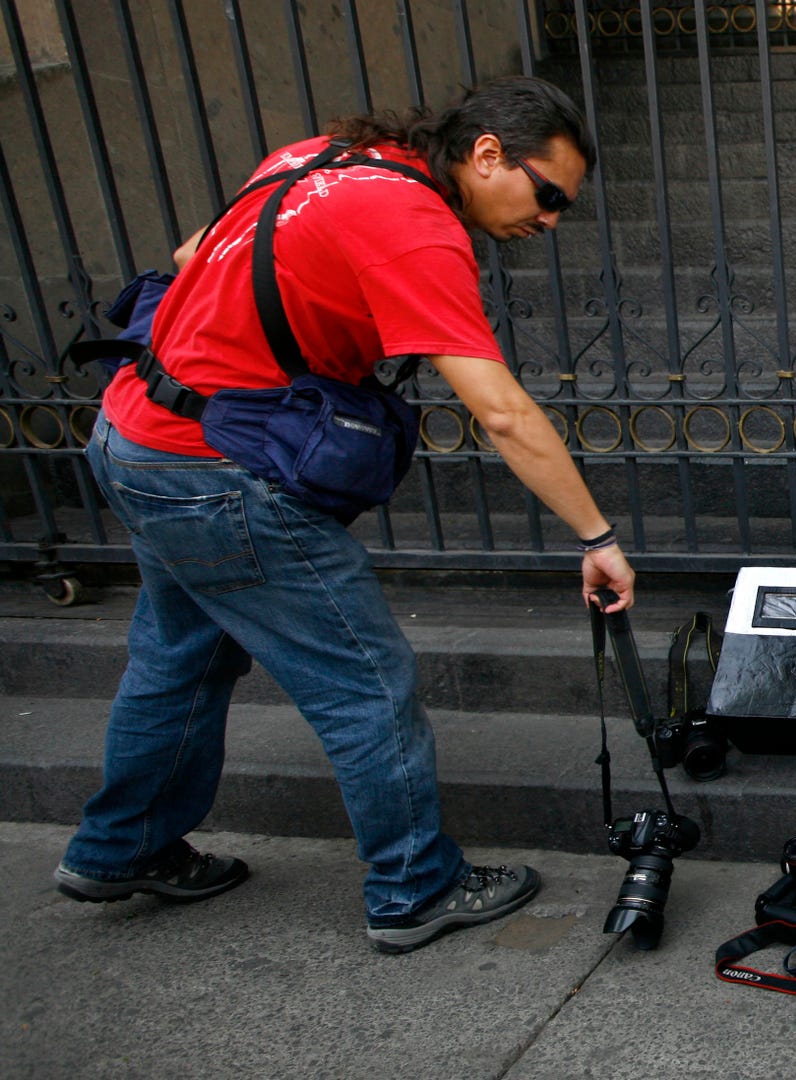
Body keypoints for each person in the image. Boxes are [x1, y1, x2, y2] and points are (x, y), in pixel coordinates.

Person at [52, 76, 636, 955]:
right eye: (547, 196)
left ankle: (120, 848)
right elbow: (505, 412)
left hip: (135, 436)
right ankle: (415, 885)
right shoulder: (413, 225)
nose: (550, 221)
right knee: (364, 681)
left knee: (179, 656)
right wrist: (598, 537)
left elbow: (189, 256)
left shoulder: (318, 157)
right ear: (486, 154)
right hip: (218, 475)